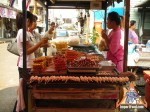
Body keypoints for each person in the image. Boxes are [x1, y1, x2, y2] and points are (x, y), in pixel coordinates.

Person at [14, 11, 48, 112]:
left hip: (29, 65)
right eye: (29, 19)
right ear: (26, 20)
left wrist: (42, 44)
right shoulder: (22, 32)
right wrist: (40, 43)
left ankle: (27, 108)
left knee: (27, 92)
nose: (30, 21)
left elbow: (30, 47)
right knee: (25, 93)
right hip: (25, 66)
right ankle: (24, 109)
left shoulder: (25, 32)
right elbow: (27, 51)